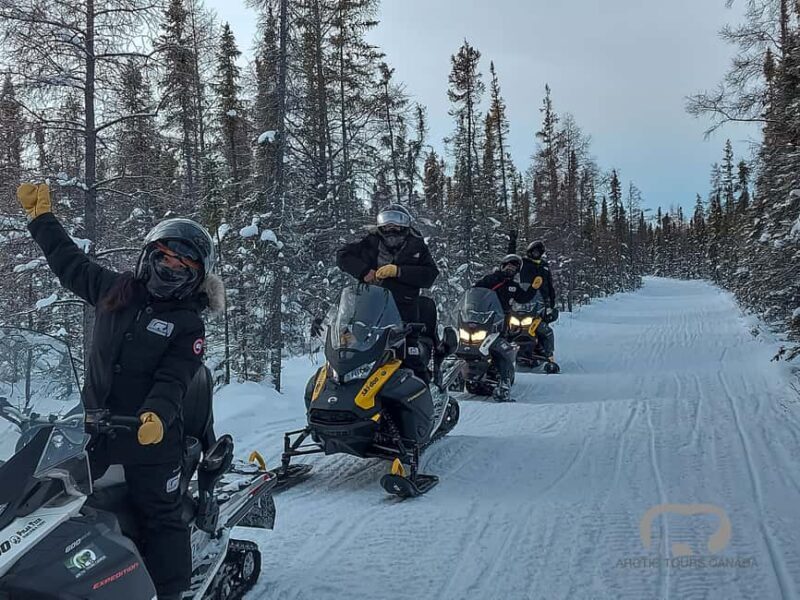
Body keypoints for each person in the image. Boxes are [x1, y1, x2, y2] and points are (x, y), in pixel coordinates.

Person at [17, 183, 224, 600]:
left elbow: (175, 376)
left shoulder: (187, 324)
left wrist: (156, 416)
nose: (171, 268)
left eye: (183, 264)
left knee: (161, 516)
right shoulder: (115, 290)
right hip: (93, 428)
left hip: (151, 435)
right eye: (165, 257)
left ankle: (172, 593)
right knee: (50, 503)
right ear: (149, 257)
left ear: (196, 276)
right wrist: (41, 220)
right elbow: (68, 262)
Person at [336, 204, 439, 383]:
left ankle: (427, 398)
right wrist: (363, 271)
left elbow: (430, 275)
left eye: (397, 222)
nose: (391, 227)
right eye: (387, 222)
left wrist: (399, 271)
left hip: (405, 312)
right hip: (369, 311)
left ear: (406, 225)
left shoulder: (416, 245)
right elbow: (342, 255)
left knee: (411, 361)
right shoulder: (370, 242)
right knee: (354, 357)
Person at [473, 254, 523, 401]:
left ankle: (504, 381)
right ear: (502, 265)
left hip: (501, 322)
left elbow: (523, 297)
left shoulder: (513, 286)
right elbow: (475, 292)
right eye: (508, 265)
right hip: (483, 319)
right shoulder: (491, 279)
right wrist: (469, 306)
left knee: (500, 348)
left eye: (514, 267)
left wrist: (533, 288)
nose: (510, 269)